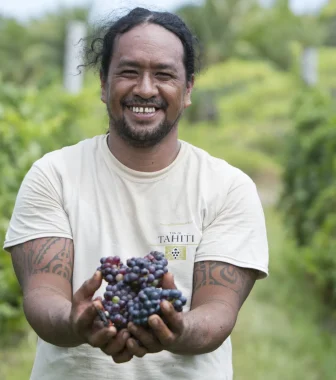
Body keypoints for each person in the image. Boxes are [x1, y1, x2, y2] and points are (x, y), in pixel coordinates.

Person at [3, 7, 269, 380]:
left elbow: (218, 313)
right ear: (103, 83)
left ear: (188, 88)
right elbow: (42, 296)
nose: (146, 88)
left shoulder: (227, 187)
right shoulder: (54, 175)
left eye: (164, 74)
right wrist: (73, 320)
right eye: (129, 72)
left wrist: (177, 330)